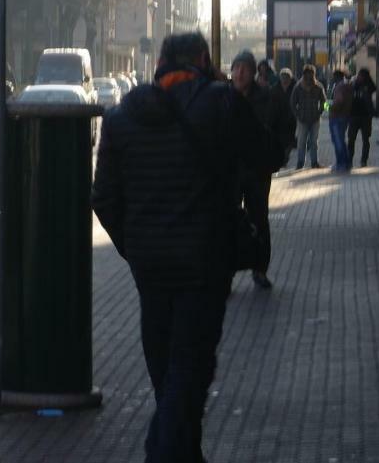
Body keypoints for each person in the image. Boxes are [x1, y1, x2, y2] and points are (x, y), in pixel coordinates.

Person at [93, 33, 280, 463]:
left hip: (150, 269)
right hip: (203, 263)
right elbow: (267, 152)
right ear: (202, 59)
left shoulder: (120, 119)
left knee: (166, 370)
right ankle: (161, 453)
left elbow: (103, 199)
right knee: (188, 372)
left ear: (159, 62)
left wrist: (136, 245)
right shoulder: (220, 102)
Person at [233, 51, 277, 289]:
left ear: (253, 72)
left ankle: (260, 268)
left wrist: (276, 157)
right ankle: (226, 271)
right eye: (236, 68)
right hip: (229, 171)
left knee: (259, 219)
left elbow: (281, 127)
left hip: (257, 171)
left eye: (245, 68)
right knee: (227, 220)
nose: (240, 73)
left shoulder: (266, 98)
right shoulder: (223, 96)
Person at [257, 59, 296, 166]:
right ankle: (282, 159)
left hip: (291, 117)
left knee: (290, 141)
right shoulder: (275, 89)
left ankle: (285, 157)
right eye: (282, 77)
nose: (284, 79)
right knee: (280, 140)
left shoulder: (294, 88)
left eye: (286, 77)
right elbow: (271, 103)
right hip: (278, 118)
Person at [290, 65, 326, 169]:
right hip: (302, 120)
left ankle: (314, 162)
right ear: (304, 74)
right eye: (307, 74)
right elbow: (292, 102)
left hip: (315, 119)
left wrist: (321, 111)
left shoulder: (318, 86)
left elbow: (325, 101)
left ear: (314, 75)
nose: (309, 76)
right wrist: (297, 115)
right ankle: (300, 163)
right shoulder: (298, 87)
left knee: (314, 142)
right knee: (301, 142)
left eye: (311, 74)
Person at [347, 68, 377, 168]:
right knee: (351, 139)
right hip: (353, 116)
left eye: (362, 76)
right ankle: (349, 160)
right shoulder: (353, 84)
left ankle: (364, 160)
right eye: (359, 75)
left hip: (366, 116)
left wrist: (366, 83)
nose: (359, 77)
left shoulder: (369, 85)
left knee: (365, 140)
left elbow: (374, 89)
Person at [327, 69, 353, 172]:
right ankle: (346, 163)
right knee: (341, 141)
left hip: (336, 117)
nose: (332, 79)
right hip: (345, 116)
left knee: (338, 141)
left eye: (333, 77)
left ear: (336, 77)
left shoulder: (339, 87)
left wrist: (327, 107)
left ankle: (341, 164)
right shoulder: (348, 85)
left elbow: (338, 101)